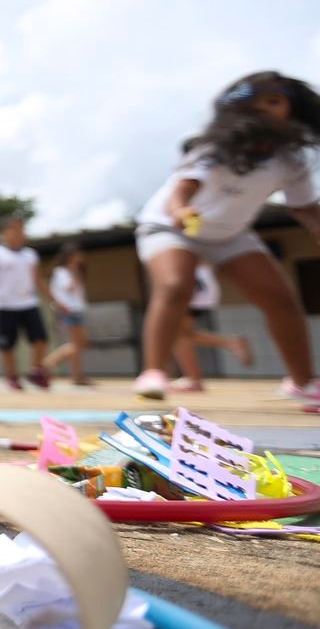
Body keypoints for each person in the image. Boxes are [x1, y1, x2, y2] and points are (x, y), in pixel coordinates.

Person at [132, 72, 320, 403]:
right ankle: (154, 372)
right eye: (255, 103)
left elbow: (305, 208)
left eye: (274, 102)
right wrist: (180, 211)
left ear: (294, 111)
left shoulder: (290, 162)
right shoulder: (215, 148)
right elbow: (183, 187)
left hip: (229, 234)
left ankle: (303, 382)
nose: (264, 109)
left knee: (280, 298)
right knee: (176, 285)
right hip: (170, 226)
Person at [0, 217, 51, 391]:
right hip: (4, 304)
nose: (18, 233)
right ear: (3, 233)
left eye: (21, 229)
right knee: (7, 344)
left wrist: (53, 298)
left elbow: (38, 280)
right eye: (13, 229)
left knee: (40, 338)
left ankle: (36, 371)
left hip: (28, 302)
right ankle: (12, 376)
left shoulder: (30, 254)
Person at [167, 265, 255, 393]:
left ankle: (195, 378)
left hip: (193, 282)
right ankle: (194, 379)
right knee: (178, 333)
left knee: (176, 332)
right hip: (199, 281)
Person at [41, 243, 96, 386]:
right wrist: (75, 273)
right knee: (79, 344)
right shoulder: (62, 272)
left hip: (75, 310)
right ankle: (47, 364)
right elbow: (70, 288)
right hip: (69, 310)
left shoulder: (67, 271)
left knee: (78, 344)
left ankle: (77, 376)